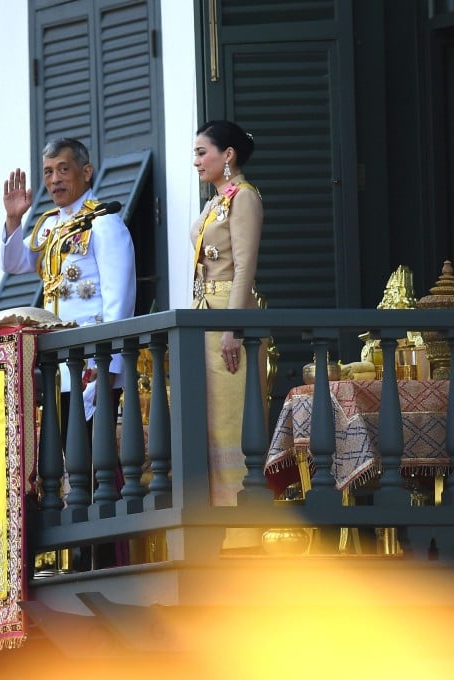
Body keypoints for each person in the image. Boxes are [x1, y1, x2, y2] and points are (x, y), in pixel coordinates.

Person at [1, 137, 136, 409]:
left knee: (91, 450)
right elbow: (14, 263)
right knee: (62, 450)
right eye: (48, 172)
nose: (55, 180)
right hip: (57, 364)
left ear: (86, 172)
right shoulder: (51, 224)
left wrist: (108, 362)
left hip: (92, 359)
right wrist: (14, 220)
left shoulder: (103, 222)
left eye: (63, 169)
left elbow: (119, 301)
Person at [189, 120, 268, 546]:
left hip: (227, 315)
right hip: (206, 314)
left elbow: (243, 270)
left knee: (233, 420)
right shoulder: (215, 201)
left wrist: (233, 328)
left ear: (228, 155)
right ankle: (219, 527)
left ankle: (243, 532)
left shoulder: (245, 198)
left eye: (203, 152)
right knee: (213, 423)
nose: (197, 161)